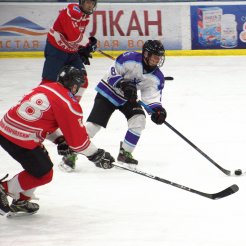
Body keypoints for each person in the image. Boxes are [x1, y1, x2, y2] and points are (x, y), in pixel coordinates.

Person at [0, 65, 114, 216]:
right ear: (74, 85)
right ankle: (5, 188)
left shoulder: (45, 88)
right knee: (44, 173)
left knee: (41, 162)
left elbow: (41, 120)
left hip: (5, 130)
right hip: (22, 140)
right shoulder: (67, 102)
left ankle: (22, 200)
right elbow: (78, 142)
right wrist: (96, 154)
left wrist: (60, 140)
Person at [85, 39, 168, 165]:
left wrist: (157, 110)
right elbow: (112, 74)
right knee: (93, 126)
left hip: (127, 99)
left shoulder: (157, 77)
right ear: (146, 54)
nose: (157, 60)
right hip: (108, 92)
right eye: (155, 57)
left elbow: (151, 97)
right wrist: (122, 83)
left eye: (159, 57)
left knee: (139, 119)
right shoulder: (129, 58)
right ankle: (70, 152)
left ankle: (125, 153)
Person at [40, 0, 99, 170]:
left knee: (82, 81)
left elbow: (75, 36)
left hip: (70, 52)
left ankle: (66, 105)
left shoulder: (84, 15)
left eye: (92, 3)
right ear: (81, 2)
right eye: (87, 2)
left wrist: (84, 47)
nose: (90, 5)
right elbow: (73, 36)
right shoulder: (72, 11)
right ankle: (45, 108)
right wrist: (81, 46)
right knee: (48, 84)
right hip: (56, 51)